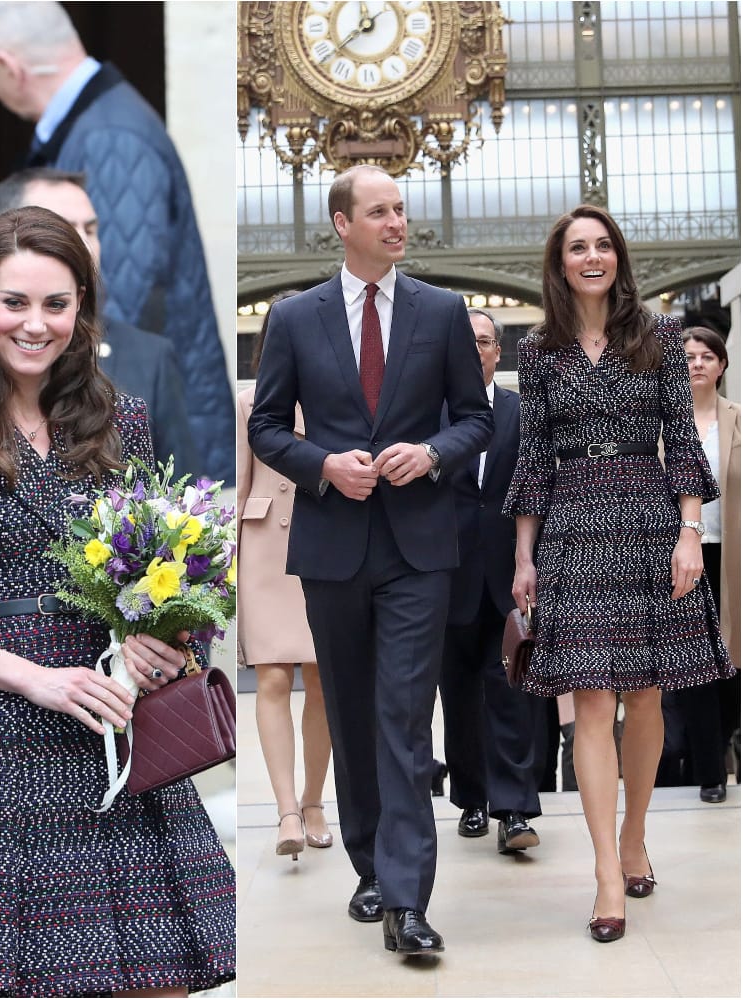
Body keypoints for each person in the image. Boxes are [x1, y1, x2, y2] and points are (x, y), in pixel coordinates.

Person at [0, 206, 235, 997]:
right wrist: (33, 679)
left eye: (55, 303)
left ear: (82, 308)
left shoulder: (123, 421)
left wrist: (170, 643)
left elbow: (175, 564)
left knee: (153, 978)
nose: (34, 324)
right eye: (15, 303)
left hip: (117, 726)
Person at [249, 164, 493, 958]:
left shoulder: (444, 310)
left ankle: (408, 901)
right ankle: (368, 862)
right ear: (341, 223)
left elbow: (475, 419)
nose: (397, 222)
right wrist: (323, 466)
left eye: (402, 209)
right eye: (379, 211)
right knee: (351, 713)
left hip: (420, 546)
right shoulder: (293, 317)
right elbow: (266, 428)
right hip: (332, 544)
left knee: (403, 716)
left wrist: (430, 453)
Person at [504, 204, 735, 944]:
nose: (593, 256)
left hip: (648, 519)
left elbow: (681, 439)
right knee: (593, 705)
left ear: (618, 257)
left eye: (603, 244)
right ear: (560, 262)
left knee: (645, 693)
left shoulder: (661, 337)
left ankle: (635, 832)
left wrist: (690, 532)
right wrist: (522, 556)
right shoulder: (538, 349)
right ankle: (608, 870)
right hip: (572, 524)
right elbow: (534, 457)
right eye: (579, 246)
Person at [0, 0, 234, 483]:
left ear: (9, 66)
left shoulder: (110, 137)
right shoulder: (104, 124)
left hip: (145, 436)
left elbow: (115, 303)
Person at [0, 167, 200, 478]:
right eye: (59, 229)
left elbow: (177, 500)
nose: (83, 245)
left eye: (90, 229)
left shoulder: (146, 365)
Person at [439, 308, 544, 853]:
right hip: (446, 577)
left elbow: (534, 494)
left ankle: (515, 810)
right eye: (466, 340)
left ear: (498, 352)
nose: (476, 348)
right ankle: (473, 799)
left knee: (511, 690)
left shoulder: (522, 413)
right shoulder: (430, 416)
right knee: (457, 695)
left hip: (508, 574)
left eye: (484, 341)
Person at [237, 291, 334, 863]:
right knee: (272, 679)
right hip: (264, 548)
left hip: (324, 542)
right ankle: (287, 811)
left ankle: (316, 800)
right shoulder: (250, 401)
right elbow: (238, 478)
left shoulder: (335, 395)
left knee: (323, 680)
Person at [663, 326, 740, 802]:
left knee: (732, 660)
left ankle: (722, 743)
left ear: (721, 365)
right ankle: (710, 773)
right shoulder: (663, 423)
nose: (696, 363)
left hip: (730, 554)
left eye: (706, 356)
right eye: (688, 356)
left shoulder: (736, 419)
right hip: (679, 555)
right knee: (694, 663)